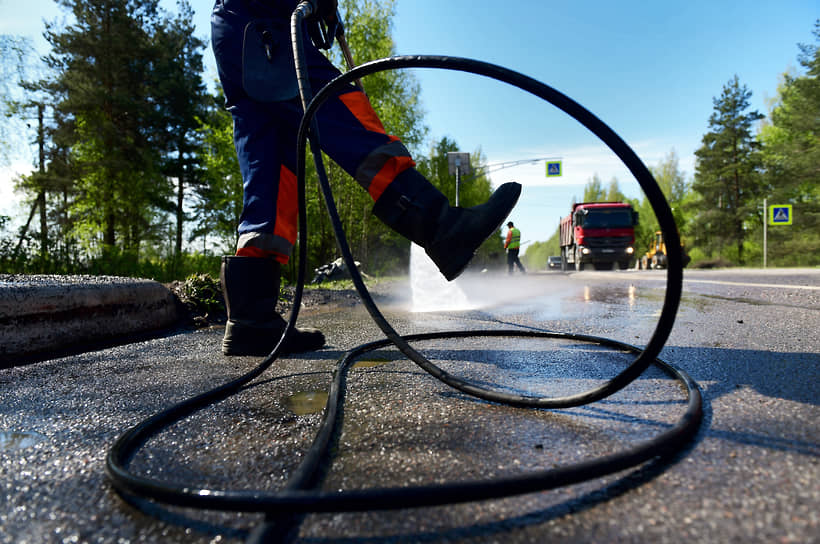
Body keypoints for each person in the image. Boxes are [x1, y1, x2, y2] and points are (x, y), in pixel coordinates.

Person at [210, 0, 521, 356]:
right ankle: (440, 227)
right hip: (261, 23)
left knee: (271, 165)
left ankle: (252, 320)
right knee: (343, 109)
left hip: (240, 29)